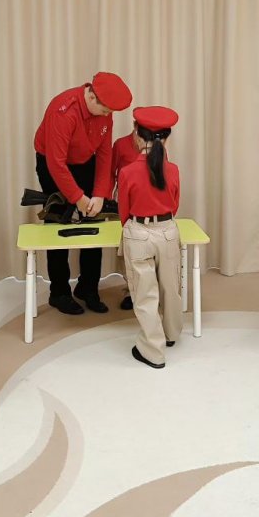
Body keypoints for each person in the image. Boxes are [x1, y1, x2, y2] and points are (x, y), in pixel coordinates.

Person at [33, 72, 132, 315]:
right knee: (58, 224)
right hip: (52, 165)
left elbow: (105, 153)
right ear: (92, 97)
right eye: (106, 110)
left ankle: (88, 288)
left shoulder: (105, 112)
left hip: (84, 161)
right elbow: (56, 163)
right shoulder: (63, 111)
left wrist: (99, 194)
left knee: (93, 221)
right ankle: (59, 292)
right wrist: (78, 198)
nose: (108, 115)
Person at [118, 106, 182, 369]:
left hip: (139, 233)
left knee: (145, 293)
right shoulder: (173, 170)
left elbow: (123, 211)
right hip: (167, 231)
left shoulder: (127, 172)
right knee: (171, 287)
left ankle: (152, 351)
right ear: (167, 138)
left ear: (137, 133)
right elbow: (175, 204)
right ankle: (171, 334)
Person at [111, 125, 140, 311]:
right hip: (124, 203)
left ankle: (150, 289)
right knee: (126, 247)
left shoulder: (157, 147)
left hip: (146, 203)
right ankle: (130, 290)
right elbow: (109, 172)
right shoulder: (120, 145)